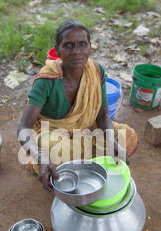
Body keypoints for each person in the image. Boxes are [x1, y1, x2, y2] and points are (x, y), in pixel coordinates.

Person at [17, 19, 139, 191]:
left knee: (123, 135)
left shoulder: (96, 72)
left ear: (90, 47)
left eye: (82, 44)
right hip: (53, 133)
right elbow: (24, 128)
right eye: (68, 45)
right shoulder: (46, 80)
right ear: (58, 50)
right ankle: (45, 164)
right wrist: (41, 158)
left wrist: (111, 142)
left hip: (87, 129)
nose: (76, 51)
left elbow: (103, 115)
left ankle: (81, 164)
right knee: (52, 150)